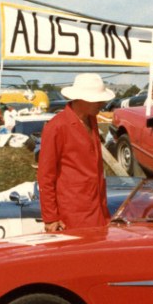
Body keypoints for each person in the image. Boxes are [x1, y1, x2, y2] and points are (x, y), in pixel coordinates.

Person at [37, 73, 114, 232]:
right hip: (73, 214)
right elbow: (46, 175)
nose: (102, 104)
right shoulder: (57, 127)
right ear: (81, 99)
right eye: (97, 100)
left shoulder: (91, 120)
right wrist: (51, 218)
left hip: (98, 208)